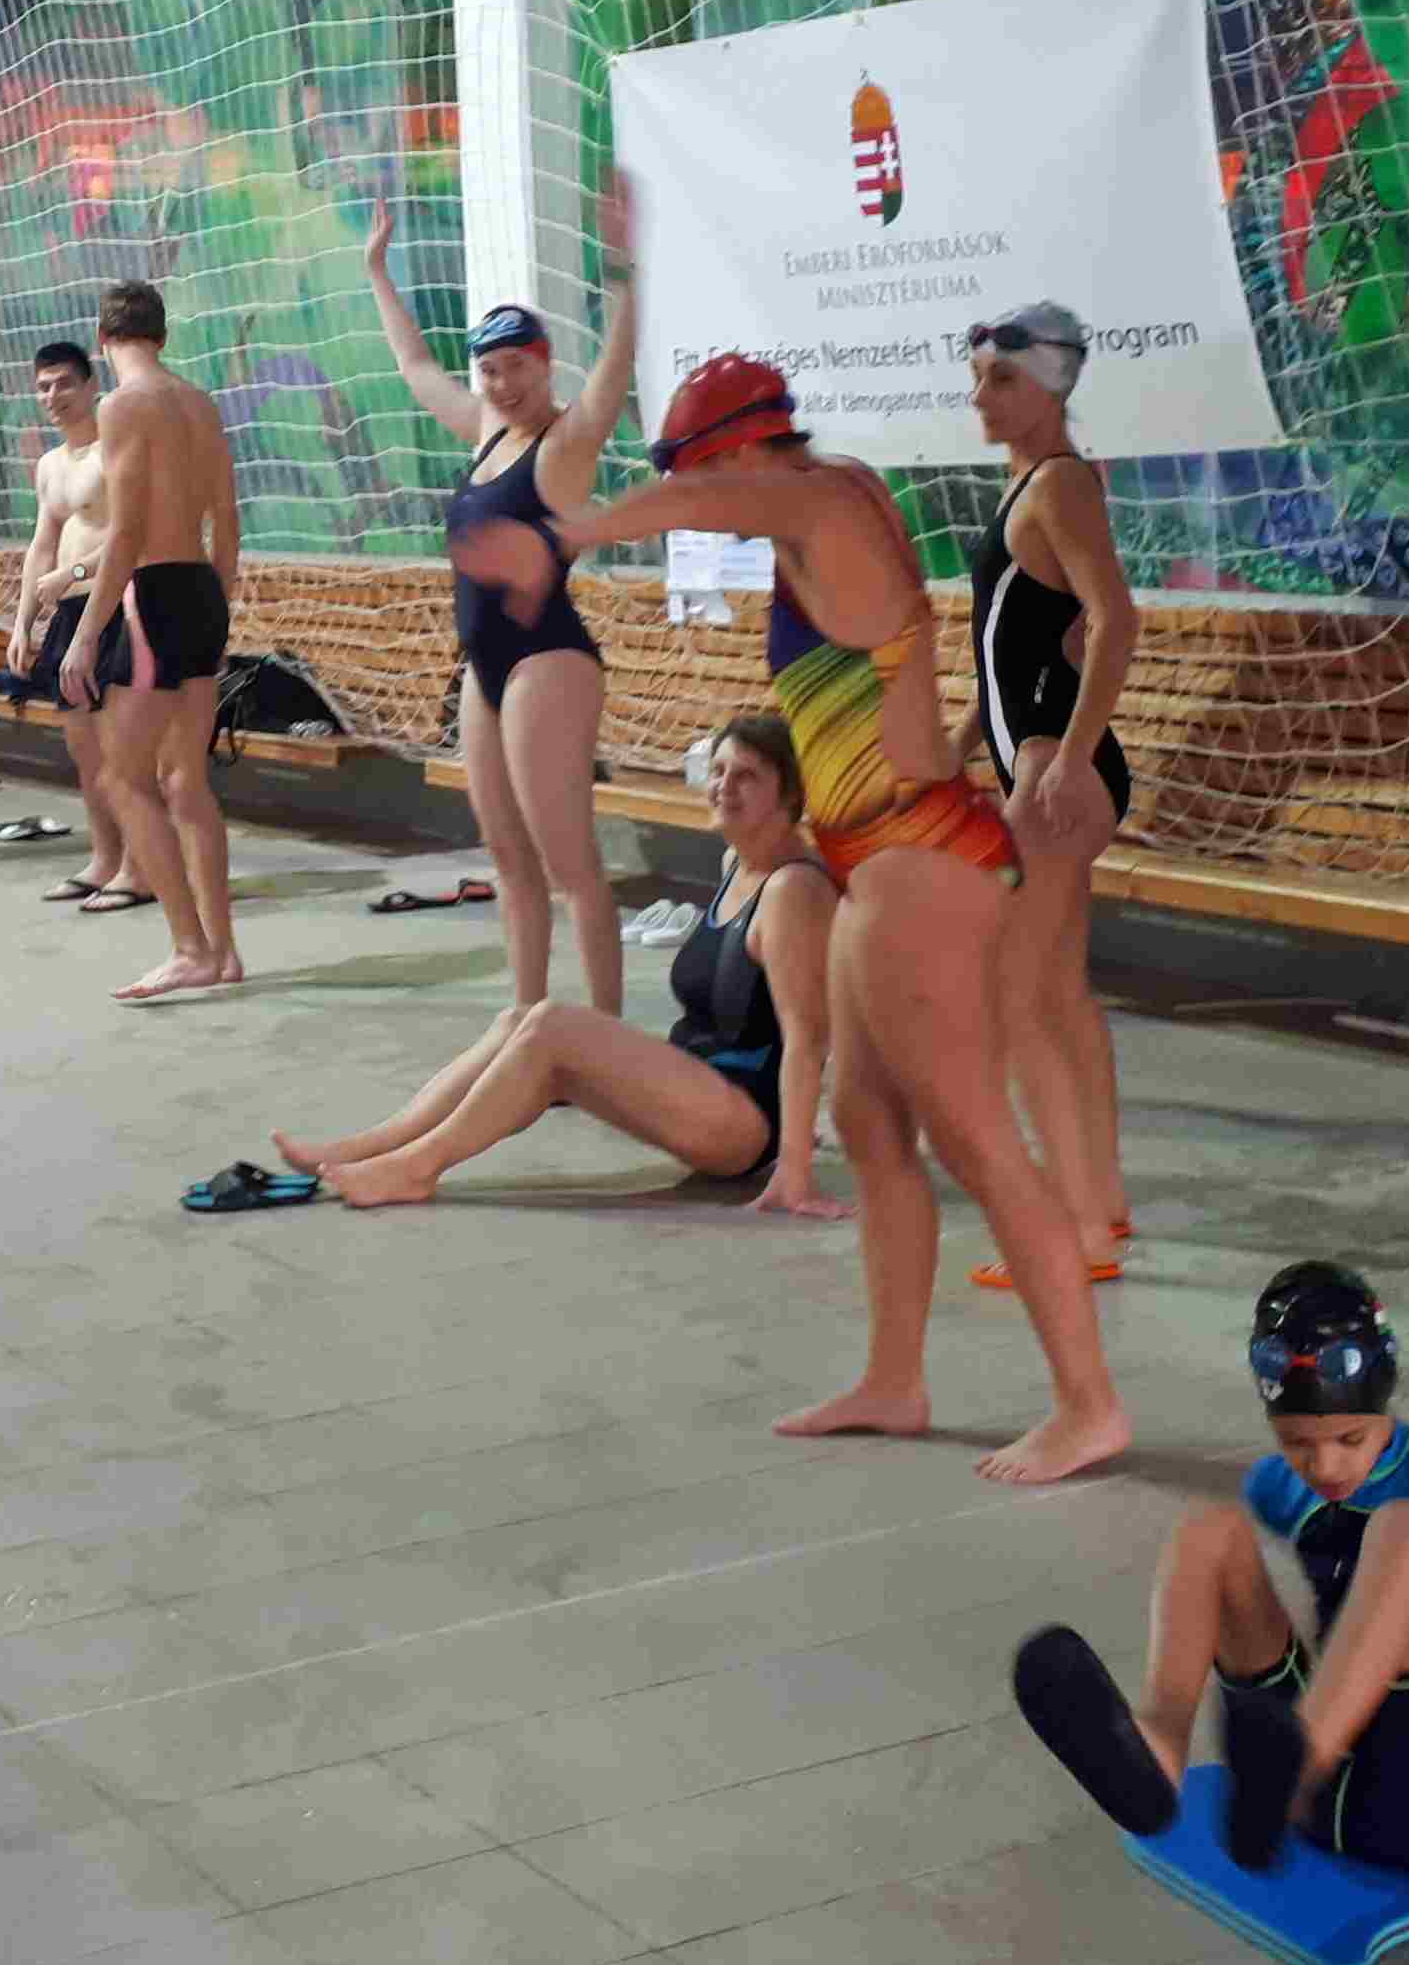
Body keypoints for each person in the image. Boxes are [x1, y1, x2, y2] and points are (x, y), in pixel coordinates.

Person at [475, 350, 1127, 1482]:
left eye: (704, 470)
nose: (702, 497)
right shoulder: (819, 506)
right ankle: (895, 1380)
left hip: (923, 858)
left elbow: (706, 499)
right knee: (868, 1124)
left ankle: (1090, 1405)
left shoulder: (816, 501)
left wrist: (571, 531)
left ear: (741, 451)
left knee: (976, 1140)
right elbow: (726, 502)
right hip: (876, 858)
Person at [1010, 1265, 1409, 1894]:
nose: (1325, 1466)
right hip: (1314, 1807)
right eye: (1296, 1443)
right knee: (1210, 1529)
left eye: (1349, 1438)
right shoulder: (1280, 1487)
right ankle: (1158, 1754)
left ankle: (1297, 1763)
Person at [277, 710, 845, 1212]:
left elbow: (807, 1038)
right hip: (701, 1087)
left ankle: (414, 1169)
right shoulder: (735, 863)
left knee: (551, 1024)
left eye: (747, 776)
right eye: (718, 771)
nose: (724, 787)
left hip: (740, 1122)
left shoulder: (792, 889)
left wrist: (794, 1170)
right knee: (518, 1021)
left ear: (790, 796)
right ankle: (373, 1146)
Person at [358, 184, 638, 1014]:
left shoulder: (566, 442)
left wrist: (625, 268)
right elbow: (414, 367)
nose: (502, 382)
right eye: (489, 369)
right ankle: (527, 1019)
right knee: (508, 859)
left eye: (516, 365)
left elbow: (615, 372)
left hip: (547, 658)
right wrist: (377, 273)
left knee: (569, 863)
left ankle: (606, 1035)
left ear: (545, 363)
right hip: (483, 669)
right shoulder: (485, 432)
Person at [959, 307, 1139, 1292]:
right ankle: (1100, 1202)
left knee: (1019, 1001)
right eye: (979, 378)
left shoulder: (1061, 482)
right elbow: (1015, 643)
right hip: (1038, 760)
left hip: (1053, 773)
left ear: (1051, 385)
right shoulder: (1031, 483)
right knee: (1058, 998)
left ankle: (1074, 1233)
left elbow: (1117, 621)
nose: (980, 396)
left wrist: (1068, 757)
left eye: (1001, 379)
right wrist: (960, 743)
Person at [57, 279, 243, 1001]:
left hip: (156, 597)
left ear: (102, 338)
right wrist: (217, 606)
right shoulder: (200, 403)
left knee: (122, 778)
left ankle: (190, 948)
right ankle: (223, 952)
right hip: (201, 590)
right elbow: (227, 519)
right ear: (161, 337)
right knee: (185, 781)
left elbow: (127, 531)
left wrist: (86, 634)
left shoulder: (121, 405)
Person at [5, 340, 146, 916]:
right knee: (85, 751)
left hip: (114, 606)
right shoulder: (50, 465)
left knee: (122, 753)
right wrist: (22, 624)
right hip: (67, 615)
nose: (53, 395)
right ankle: (104, 859)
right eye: (43, 387)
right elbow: (42, 545)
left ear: (92, 385)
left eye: (64, 383)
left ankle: (140, 867)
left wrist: (75, 571)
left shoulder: (115, 448)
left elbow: (131, 533)